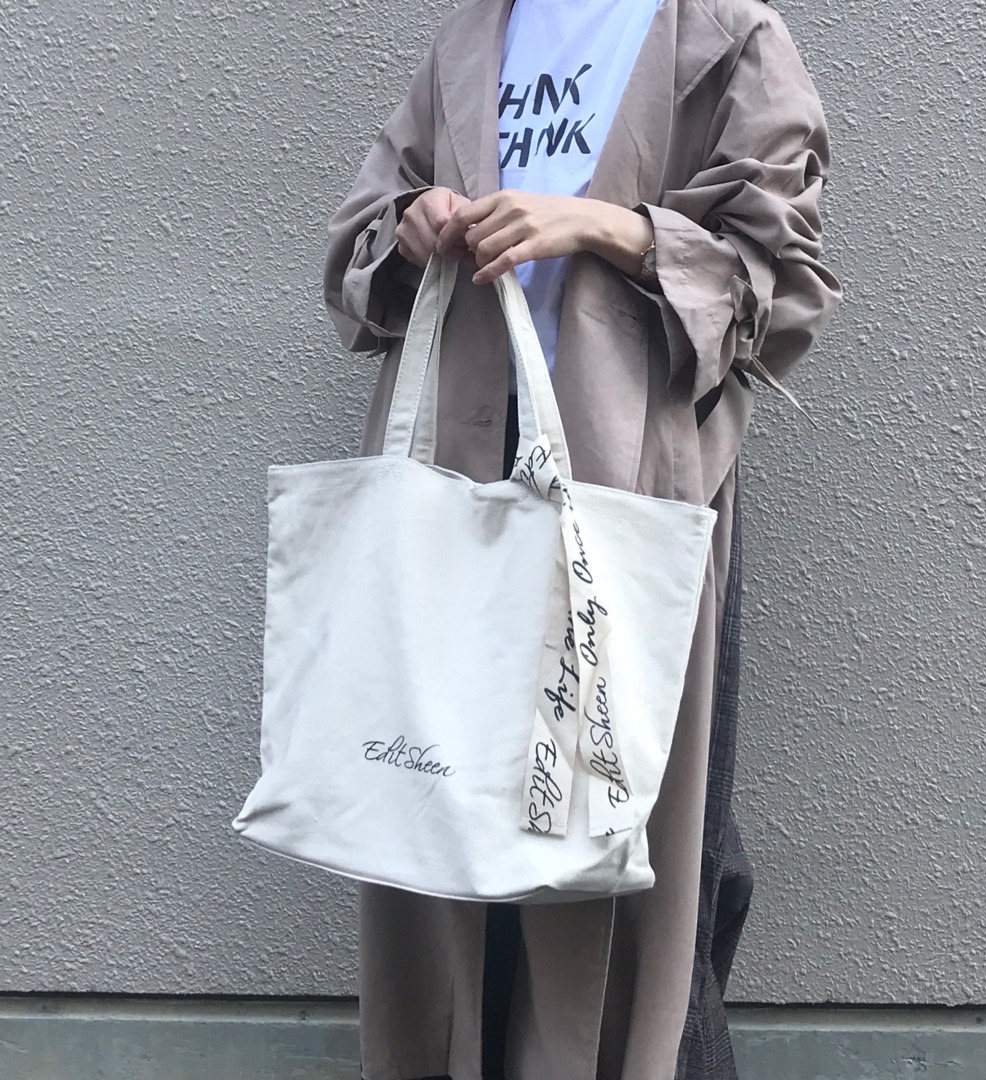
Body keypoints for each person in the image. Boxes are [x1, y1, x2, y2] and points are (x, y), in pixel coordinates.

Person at [323, 0, 841, 1078]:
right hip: (460, 490)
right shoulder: (477, 32)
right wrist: (413, 222)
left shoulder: (724, 36)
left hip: (627, 498)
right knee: (449, 823)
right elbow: (361, 241)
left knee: (638, 854)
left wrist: (606, 226)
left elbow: (782, 281)